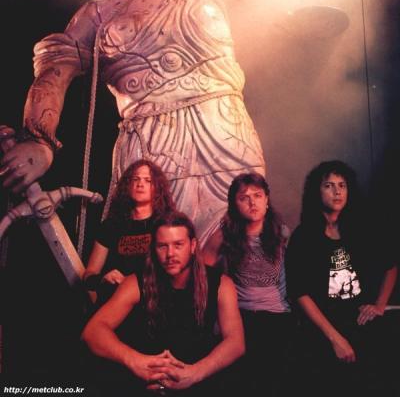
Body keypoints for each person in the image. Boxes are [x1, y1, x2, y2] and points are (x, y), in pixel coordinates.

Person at [0, 0, 356, 243]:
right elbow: (55, 70)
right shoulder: (99, 14)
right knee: (160, 258)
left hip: (225, 134)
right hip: (151, 147)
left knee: (242, 247)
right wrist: (39, 140)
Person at [81, 210, 245, 396]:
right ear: (154, 248)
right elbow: (92, 331)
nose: (170, 254)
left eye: (178, 245)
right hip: (145, 382)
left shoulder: (221, 284)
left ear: (192, 246)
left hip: (197, 378)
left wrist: (194, 374)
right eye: (162, 246)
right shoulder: (135, 282)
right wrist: (136, 362)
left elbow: (236, 341)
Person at [285, 160, 398, 397]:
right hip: (324, 328)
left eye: (342, 185)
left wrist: (379, 306)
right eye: (329, 185)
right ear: (317, 192)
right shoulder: (304, 237)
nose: (337, 191)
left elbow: (391, 266)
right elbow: (299, 293)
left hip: (360, 321)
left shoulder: (363, 228)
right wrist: (335, 339)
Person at [202, 172, 293, 396]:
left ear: (267, 200)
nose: (252, 203)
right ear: (235, 204)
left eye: (258, 196)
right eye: (244, 198)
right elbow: (202, 274)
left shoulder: (281, 233)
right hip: (242, 315)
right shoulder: (224, 236)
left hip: (278, 314)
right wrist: (215, 315)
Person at [83, 158, 175, 305]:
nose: (140, 184)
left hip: (153, 302)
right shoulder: (110, 226)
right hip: (115, 301)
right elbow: (89, 274)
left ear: (157, 187)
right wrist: (102, 279)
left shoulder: (166, 224)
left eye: (148, 180)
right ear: (128, 185)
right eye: (136, 179)